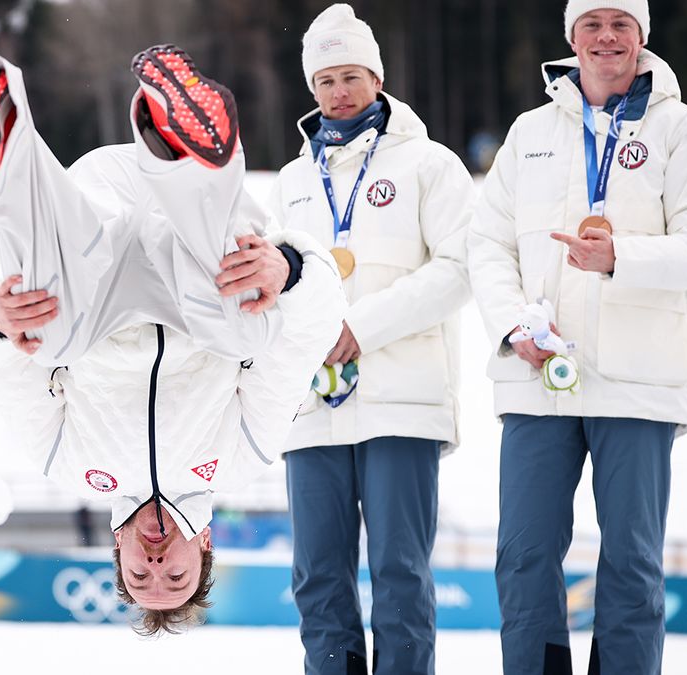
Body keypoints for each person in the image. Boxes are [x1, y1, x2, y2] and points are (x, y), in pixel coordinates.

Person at [0, 45, 345, 635]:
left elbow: (4, 372)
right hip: (189, 266)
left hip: (95, 252)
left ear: (117, 554)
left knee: (43, 338)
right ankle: (179, 144)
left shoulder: (67, 465)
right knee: (246, 320)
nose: (155, 564)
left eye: (140, 576)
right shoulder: (241, 459)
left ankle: (2, 136)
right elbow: (297, 346)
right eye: (174, 577)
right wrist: (288, 272)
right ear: (203, 547)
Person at [467, 1, 687, 672]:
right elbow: (487, 243)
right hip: (539, 372)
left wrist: (620, 258)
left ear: (642, 36)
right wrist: (513, 323)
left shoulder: (682, 130)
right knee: (523, 553)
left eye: (620, 24)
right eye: (592, 24)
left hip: (639, 381)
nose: (606, 37)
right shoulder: (530, 132)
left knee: (632, 562)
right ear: (571, 37)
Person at [267, 5, 473, 674]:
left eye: (351, 76)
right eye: (324, 80)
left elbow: (459, 269)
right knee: (318, 576)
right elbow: (276, 286)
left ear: (377, 77)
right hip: (311, 407)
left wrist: (360, 326)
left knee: (399, 573)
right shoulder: (293, 181)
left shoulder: (429, 164)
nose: (338, 92)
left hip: (401, 398)